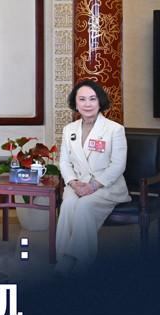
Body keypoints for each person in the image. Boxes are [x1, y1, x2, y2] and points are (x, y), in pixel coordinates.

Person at [56, 80, 130, 272]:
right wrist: (73, 183)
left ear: (100, 101)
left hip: (106, 186)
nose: (87, 104)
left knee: (84, 206)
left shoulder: (115, 129)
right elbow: (64, 162)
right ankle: (63, 258)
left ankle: (81, 262)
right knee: (68, 205)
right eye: (82, 99)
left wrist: (93, 186)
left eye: (92, 99)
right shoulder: (69, 130)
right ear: (75, 103)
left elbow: (118, 165)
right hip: (77, 183)